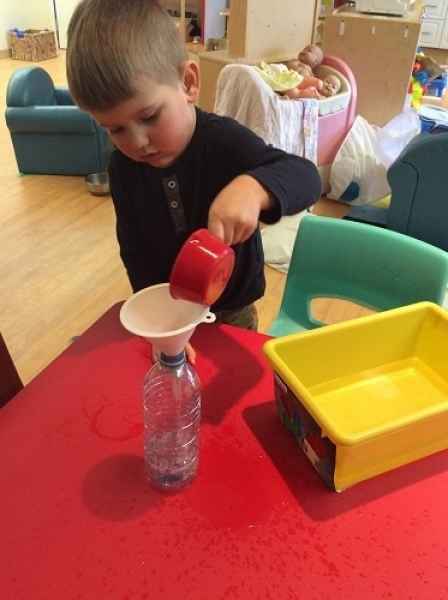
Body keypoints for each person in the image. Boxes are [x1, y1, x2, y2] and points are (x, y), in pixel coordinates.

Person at [66, 0, 321, 343]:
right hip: (169, 308)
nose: (138, 142)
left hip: (231, 308)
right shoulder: (123, 167)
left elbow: (306, 176)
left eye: (149, 116)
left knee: (227, 381)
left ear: (187, 83)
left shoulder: (224, 141)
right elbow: (133, 247)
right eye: (116, 129)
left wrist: (254, 187)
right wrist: (153, 312)